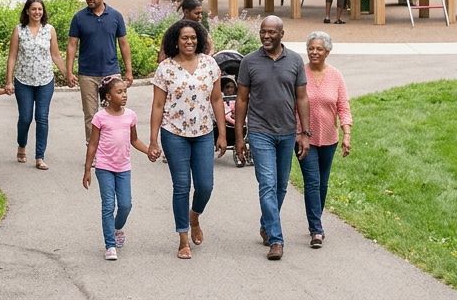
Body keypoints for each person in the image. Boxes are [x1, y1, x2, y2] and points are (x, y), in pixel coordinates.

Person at [234, 16, 311, 261]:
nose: (266, 37)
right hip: (259, 132)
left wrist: (305, 133)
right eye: (262, 32)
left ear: (281, 34)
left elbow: (302, 98)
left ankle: (267, 224)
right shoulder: (249, 62)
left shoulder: (296, 61)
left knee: (280, 186)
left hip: (287, 132)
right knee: (267, 184)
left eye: (271, 33)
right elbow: (241, 100)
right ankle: (276, 240)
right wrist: (239, 136)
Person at [149, 20, 226, 259]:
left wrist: (222, 133)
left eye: (193, 37)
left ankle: (195, 216)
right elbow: (158, 105)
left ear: (199, 39)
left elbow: (216, 100)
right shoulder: (166, 68)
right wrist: (153, 140)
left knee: (205, 185)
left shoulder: (209, 64)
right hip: (174, 133)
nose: (189, 42)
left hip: (203, 132)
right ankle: (183, 238)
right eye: (184, 38)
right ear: (176, 40)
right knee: (181, 186)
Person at [83, 76, 151, 261]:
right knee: (108, 205)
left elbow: (134, 139)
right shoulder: (100, 117)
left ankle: (117, 228)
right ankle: (110, 244)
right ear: (108, 96)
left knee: (125, 205)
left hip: (123, 168)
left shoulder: (130, 116)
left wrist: (149, 151)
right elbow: (92, 144)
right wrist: (88, 169)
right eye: (119, 92)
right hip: (104, 167)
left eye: (125, 91)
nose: (124, 95)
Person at [297, 32, 352, 249]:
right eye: (311, 48)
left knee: (323, 183)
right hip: (303, 138)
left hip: (329, 138)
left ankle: (314, 218)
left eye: (319, 49)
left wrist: (347, 134)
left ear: (327, 52)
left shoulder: (336, 76)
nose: (314, 52)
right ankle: (316, 230)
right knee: (312, 181)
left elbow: (343, 107)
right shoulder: (299, 72)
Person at [5, 0, 67, 169]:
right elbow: (12, 57)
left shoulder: (49, 30)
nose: (37, 12)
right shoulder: (19, 30)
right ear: (27, 11)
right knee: (25, 117)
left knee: (42, 118)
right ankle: (22, 145)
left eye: (40, 9)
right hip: (23, 80)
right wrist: (9, 81)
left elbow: (55, 55)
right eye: (33, 9)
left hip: (45, 80)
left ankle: (40, 156)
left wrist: (67, 74)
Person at [66, 0, 133, 141]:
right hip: (87, 74)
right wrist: (69, 72)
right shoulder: (79, 18)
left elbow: (123, 43)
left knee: (113, 112)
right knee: (91, 115)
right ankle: (93, 149)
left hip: (111, 73)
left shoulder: (115, 16)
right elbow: (72, 45)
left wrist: (128, 70)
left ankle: (112, 145)